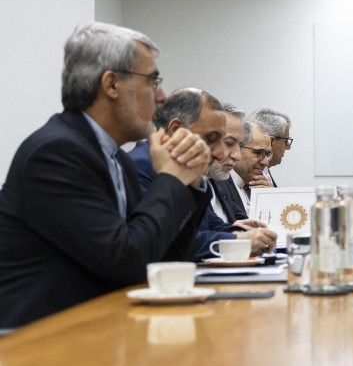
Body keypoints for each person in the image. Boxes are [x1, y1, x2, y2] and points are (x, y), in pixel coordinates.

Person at [0, 22, 210, 328]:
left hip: (95, 331)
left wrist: (191, 182)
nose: (162, 96)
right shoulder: (56, 153)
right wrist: (172, 178)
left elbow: (158, 260)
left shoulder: (115, 158)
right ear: (111, 84)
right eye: (153, 80)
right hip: (39, 342)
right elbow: (126, 261)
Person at [127, 90, 276, 258]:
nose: (221, 153)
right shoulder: (143, 165)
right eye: (212, 139)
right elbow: (171, 244)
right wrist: (237, 241)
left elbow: (207, 225)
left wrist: (235, 231)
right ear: (176, 130)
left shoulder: (186, 167)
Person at [223, 121, 273, 215]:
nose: (265, 162)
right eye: (259, 152)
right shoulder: (219, 184)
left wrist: (268, 200)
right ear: (238, 148)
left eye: (267, 154)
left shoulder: (259, 188)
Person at [249, 107, 292, 187]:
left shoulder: (264, 172)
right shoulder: (248, 176)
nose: (288, 147)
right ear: (271, 141)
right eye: (286, 141)